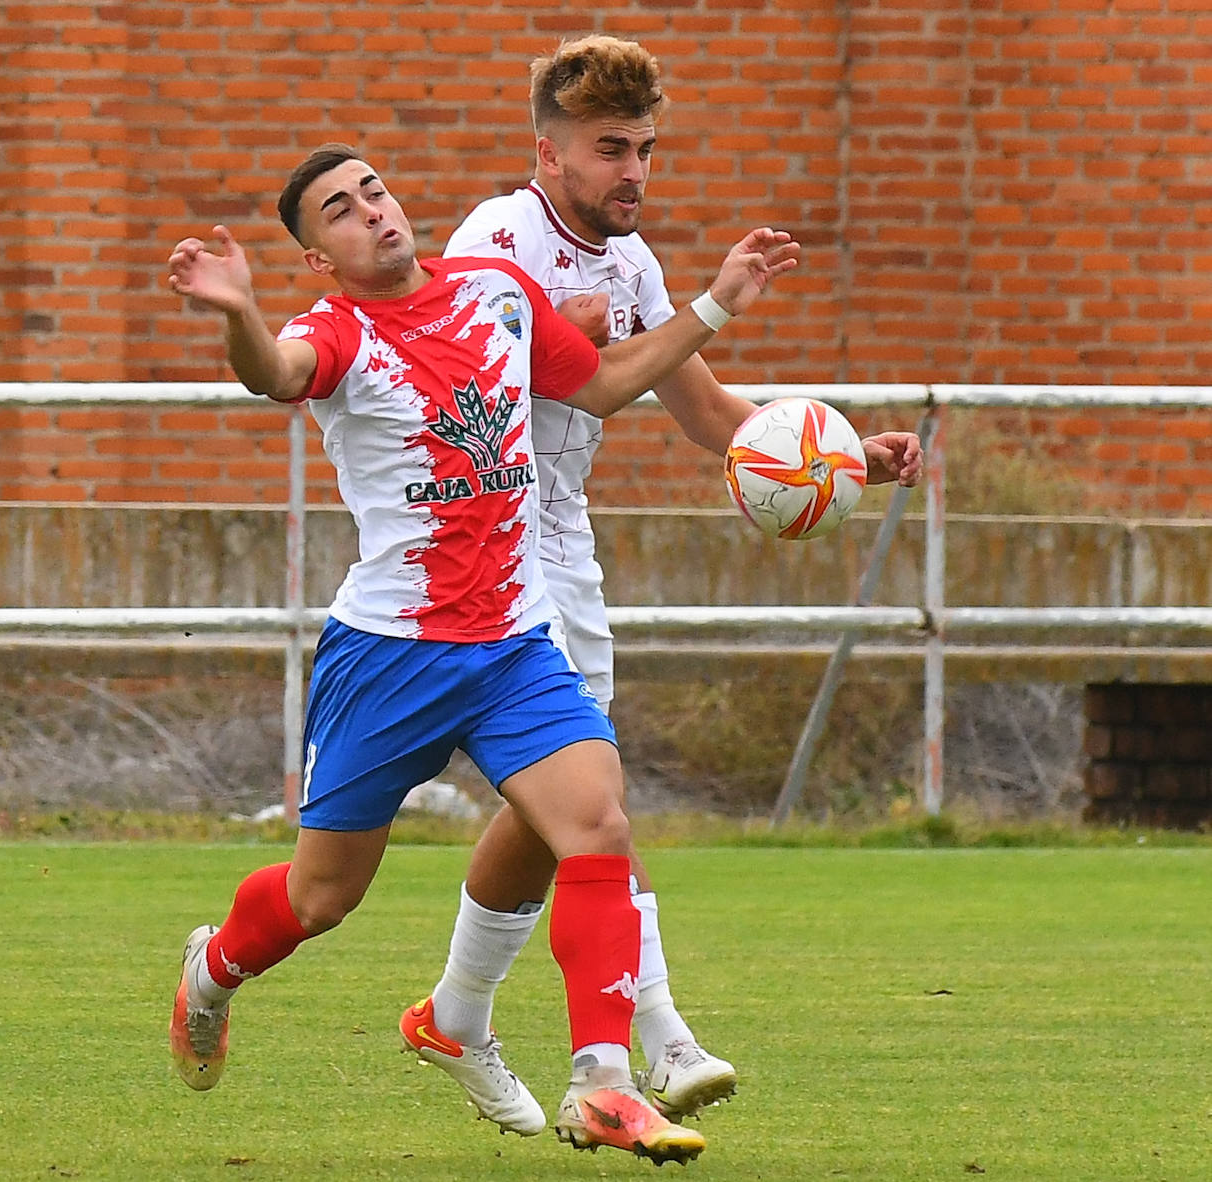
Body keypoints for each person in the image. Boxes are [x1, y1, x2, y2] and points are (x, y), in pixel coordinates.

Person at [164, 142, 800, 1165]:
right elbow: (271, 375)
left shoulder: (496, 293)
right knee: (321, 899)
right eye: (338, 210)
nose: (371, 211)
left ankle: (602, 1082)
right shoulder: (331, 332)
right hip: (390, 658)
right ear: (319, 257)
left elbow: (602, 386)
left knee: (596, 822)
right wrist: (238, 309)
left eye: (372, 189)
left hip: (512, 645)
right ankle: (214, 970)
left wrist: (716, 301)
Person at [402, 33, 924, 1133]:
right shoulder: (495, 239)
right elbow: (584, 387)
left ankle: (461, 1013)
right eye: (609, 149)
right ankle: (661, 1034)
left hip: (562, 542)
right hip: (477, 539)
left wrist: (834, 453)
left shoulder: (632, 268)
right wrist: (718, 299)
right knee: (574, 803)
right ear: (548, 152)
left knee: (562, 813)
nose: (633, 170)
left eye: (644, 148)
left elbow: (706, 414)